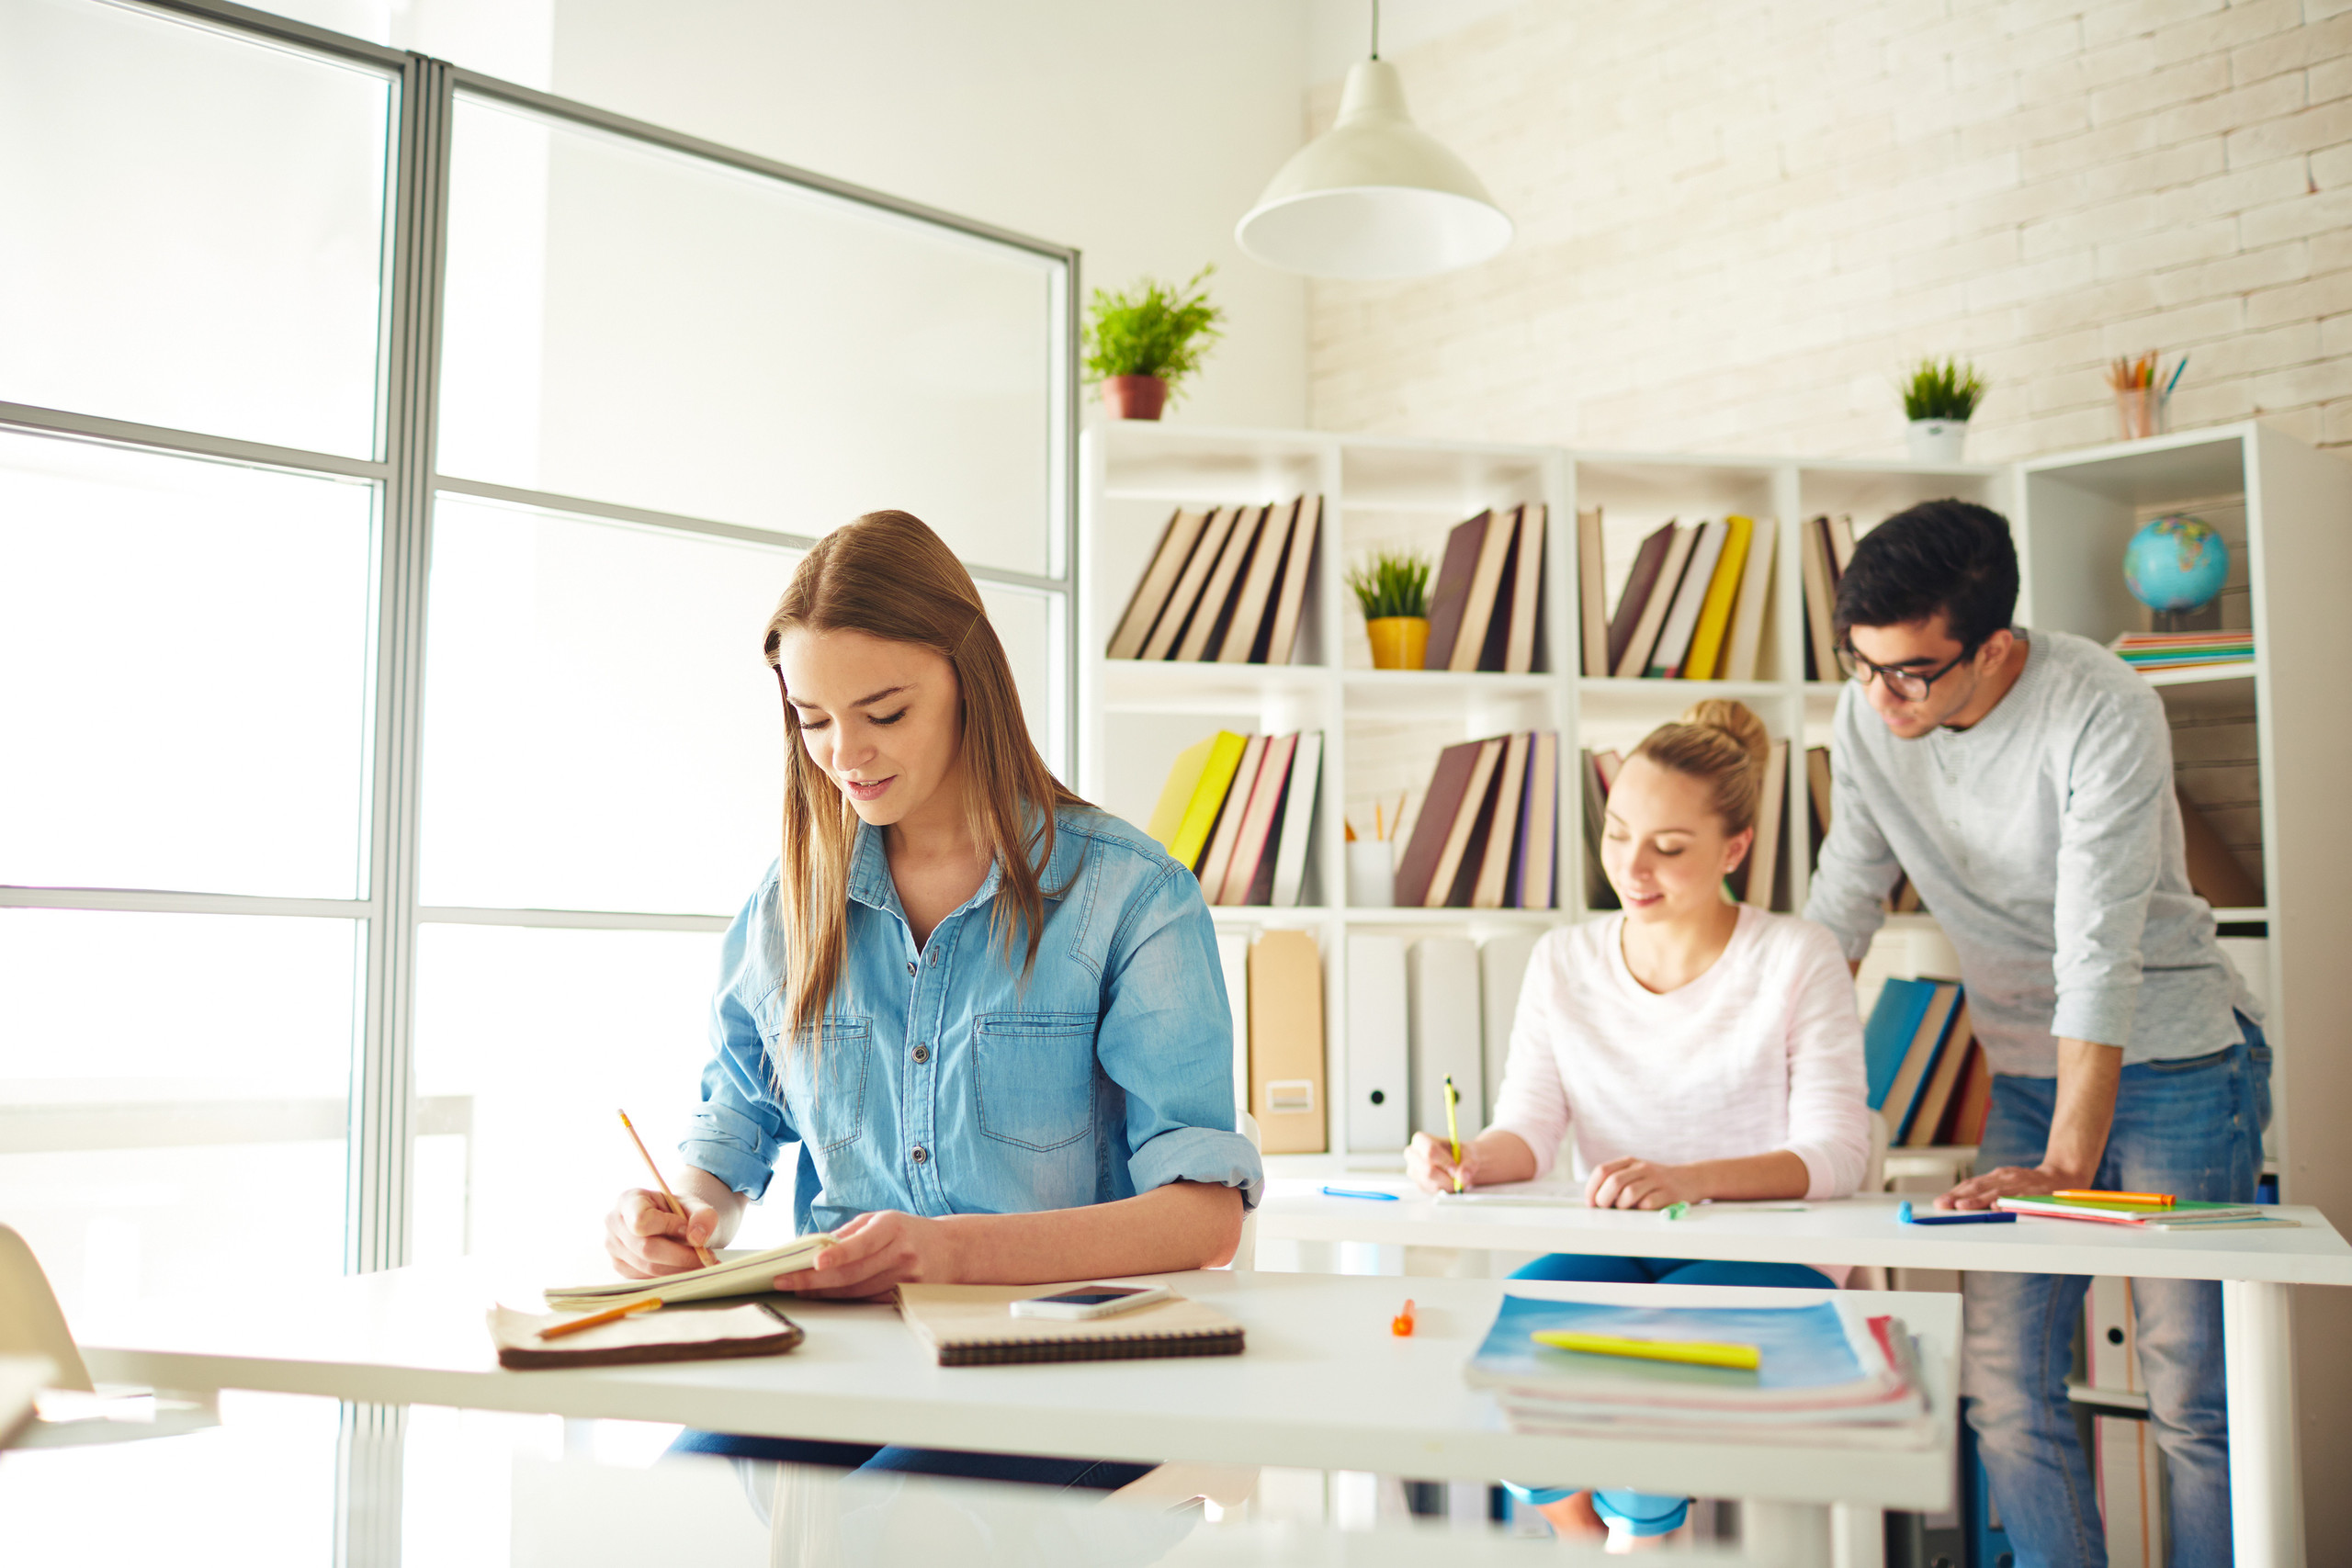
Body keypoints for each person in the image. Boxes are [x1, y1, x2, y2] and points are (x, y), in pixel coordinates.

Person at [602, 510, 1262, 1490]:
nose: (845, 756)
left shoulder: (1130, 894)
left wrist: (947, 1252)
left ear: (968, 679)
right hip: (843, 1365)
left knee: (869, 1536)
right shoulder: (783, 912)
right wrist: (673, 1219)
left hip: (1069, 1368)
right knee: (671, 1517)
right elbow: (729, 1143)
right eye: (812, 719)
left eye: (885, 712)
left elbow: (1204, 1218)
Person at [1803, 499, 2267, 1568]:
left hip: (2177, 1062)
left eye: (1909, 672)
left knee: (2188, 1389)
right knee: (2004, 1386)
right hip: (2024, 1067)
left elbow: (2096, 944)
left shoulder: (2101, 706)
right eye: (1859, 664)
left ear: (1995, 646)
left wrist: (2065, 1162)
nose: (1879, 697)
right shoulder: (1869, 710)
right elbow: (1843, 906)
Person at [1408, 699, 1871, 1549]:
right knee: (1513, 1334)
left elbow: (1838, 1153)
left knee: (1644, 1373)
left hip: (1772, 1251)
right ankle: (1587, 1534)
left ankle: (1643, 1534)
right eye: (1618, 831)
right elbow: (1530, 1132)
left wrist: (1687, 1178)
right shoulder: (1564, 960)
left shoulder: (1795, 956)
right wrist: (1465, 1157)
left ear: (1734, 849)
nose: (1632, 865)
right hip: (1620, 1238)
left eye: (1669, 846)